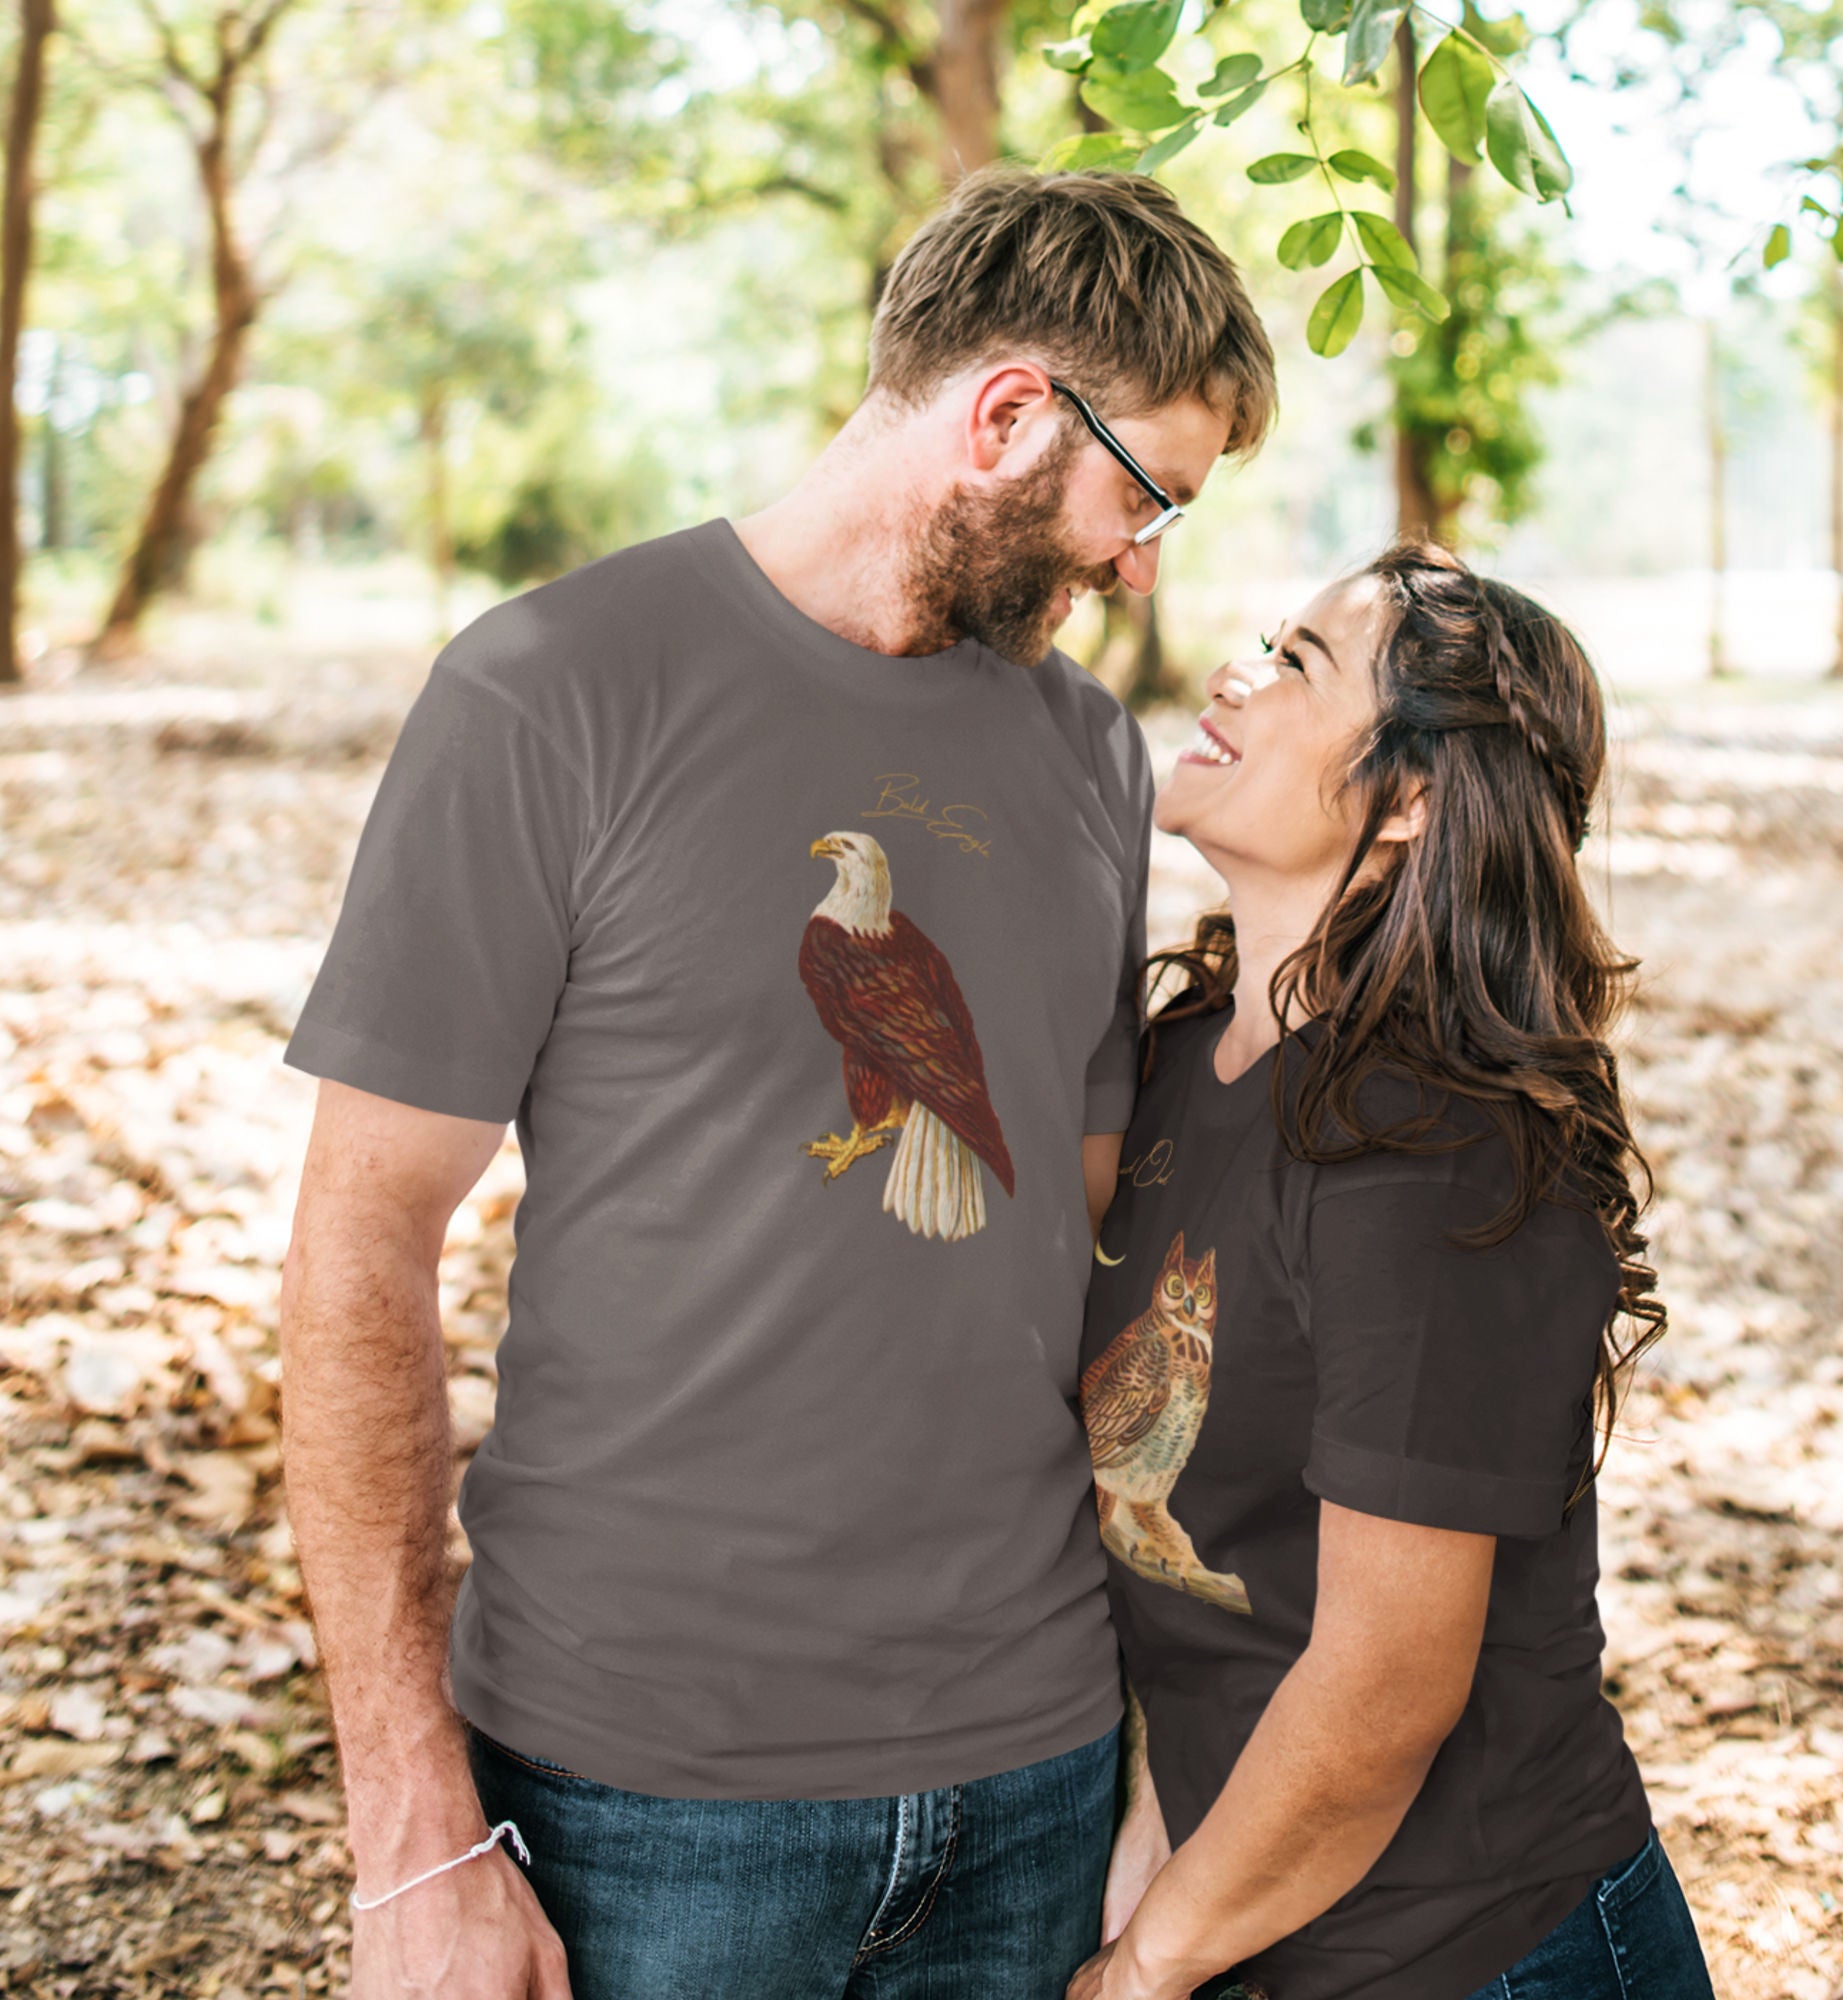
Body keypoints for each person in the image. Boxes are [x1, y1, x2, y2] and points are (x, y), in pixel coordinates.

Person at [277, 167, 1276, 2000]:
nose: (1145, 564)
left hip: (1040, 1767)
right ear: (1004, 415)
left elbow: (1087, 1249)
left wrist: (1182, 1738)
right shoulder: (548, 693)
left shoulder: (1086, 759)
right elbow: (359, 1249)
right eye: (1146, 498)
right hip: (645, 1794)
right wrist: (414, 1824)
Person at [1068, 543, 1715, 2000]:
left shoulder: (1432, 1159)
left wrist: (1144, 1969)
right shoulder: (1179, 1061)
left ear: (1415, 796)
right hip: (1251, 1922)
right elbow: (1200, 1545)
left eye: (1299, 663)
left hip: (1482, 1953)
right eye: (1263, 638)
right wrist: (1153, 1871)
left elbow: (1381, 1693)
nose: (1235, 672)